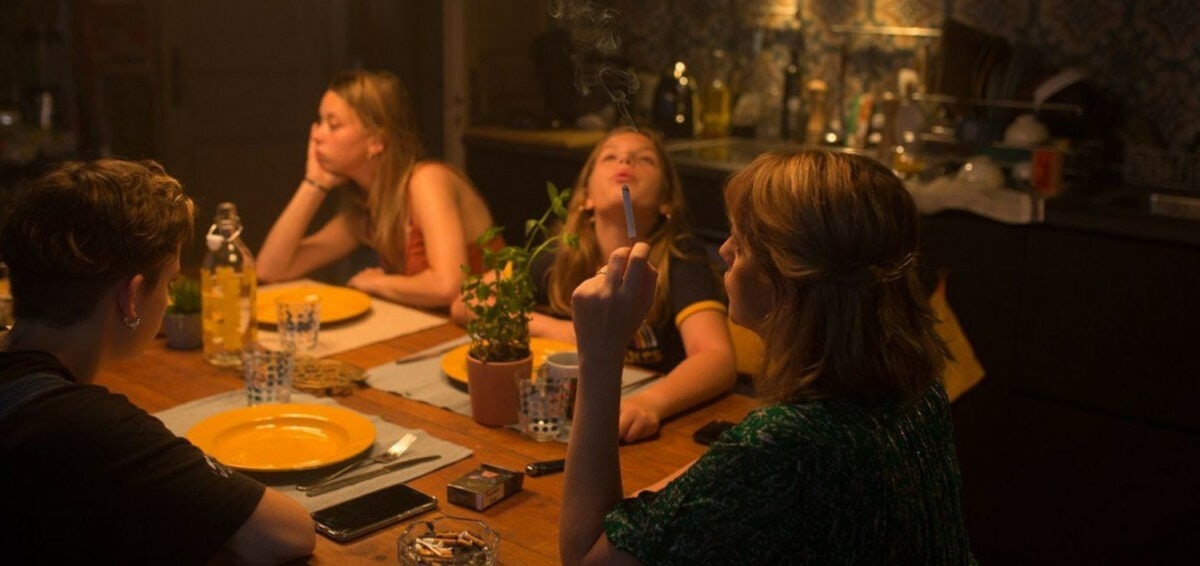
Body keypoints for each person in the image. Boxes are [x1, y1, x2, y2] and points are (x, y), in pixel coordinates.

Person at [561, 150, 976, 564]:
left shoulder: (787, 443)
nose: (723, 251)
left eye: (741, 243)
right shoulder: (916, 390)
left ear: (791, 276)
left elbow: (585, 558)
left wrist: (600, 354)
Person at [0, 160, 315, 565]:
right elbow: (287, 533)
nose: (167, 300)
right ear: (131, 297)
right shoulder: (83, 423)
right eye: (169, 282)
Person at [452, 126, 736, 442]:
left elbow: (717, 358)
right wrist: (558, 330)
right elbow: (465, 304)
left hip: (636, 422)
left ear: (666, 202)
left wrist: (649, 404)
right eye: (610, 156)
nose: (625, 159)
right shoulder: (556, 257)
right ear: (586, 197)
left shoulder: (680, 258)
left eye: (644, 160)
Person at [257, 69, 499, 308]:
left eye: (333, 125)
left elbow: (447, 286)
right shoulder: (365, 210)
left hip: (494, 331)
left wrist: (376, 283)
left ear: (376, 141)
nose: (317, 135)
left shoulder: (426, 181)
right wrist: (314, 184)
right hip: (437, 329)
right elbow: (271, 270)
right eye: (319, 122)